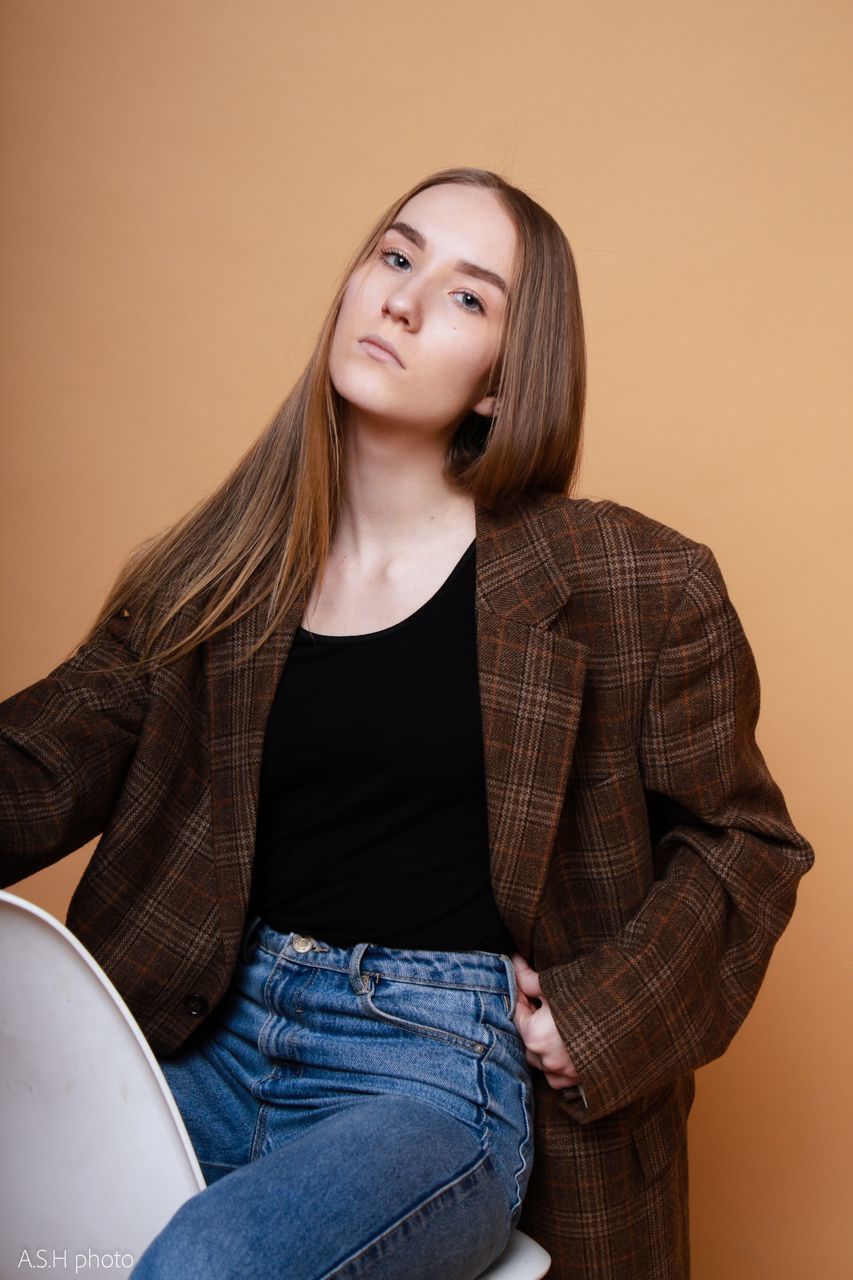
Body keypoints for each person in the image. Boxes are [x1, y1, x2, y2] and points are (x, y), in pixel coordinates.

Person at [0, 166, 814, 1280]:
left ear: (499, 382)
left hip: (427, 1069)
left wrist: (597, 1013)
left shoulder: (633, 580)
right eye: (395, 255)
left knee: (210, 1263)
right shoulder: (217, 571)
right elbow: (40, 759)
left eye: (469, 296)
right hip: (206, 1025)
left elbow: (747, 844)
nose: (403, 298)